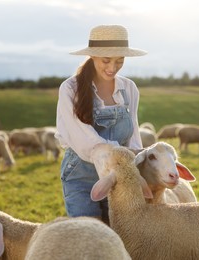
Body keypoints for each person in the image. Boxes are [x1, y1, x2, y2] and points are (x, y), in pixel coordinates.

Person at [55, 25, 147, 224]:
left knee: (120, 234)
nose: (112, 68)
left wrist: (139, 161)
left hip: (118, 174)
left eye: (119, 61)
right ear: (93, 57)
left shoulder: (129, 88)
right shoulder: (71, 89)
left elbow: (133, 134)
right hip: (81, 174)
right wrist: (119, 155)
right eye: (106, 60)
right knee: (91, 234)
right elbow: (84, 138)